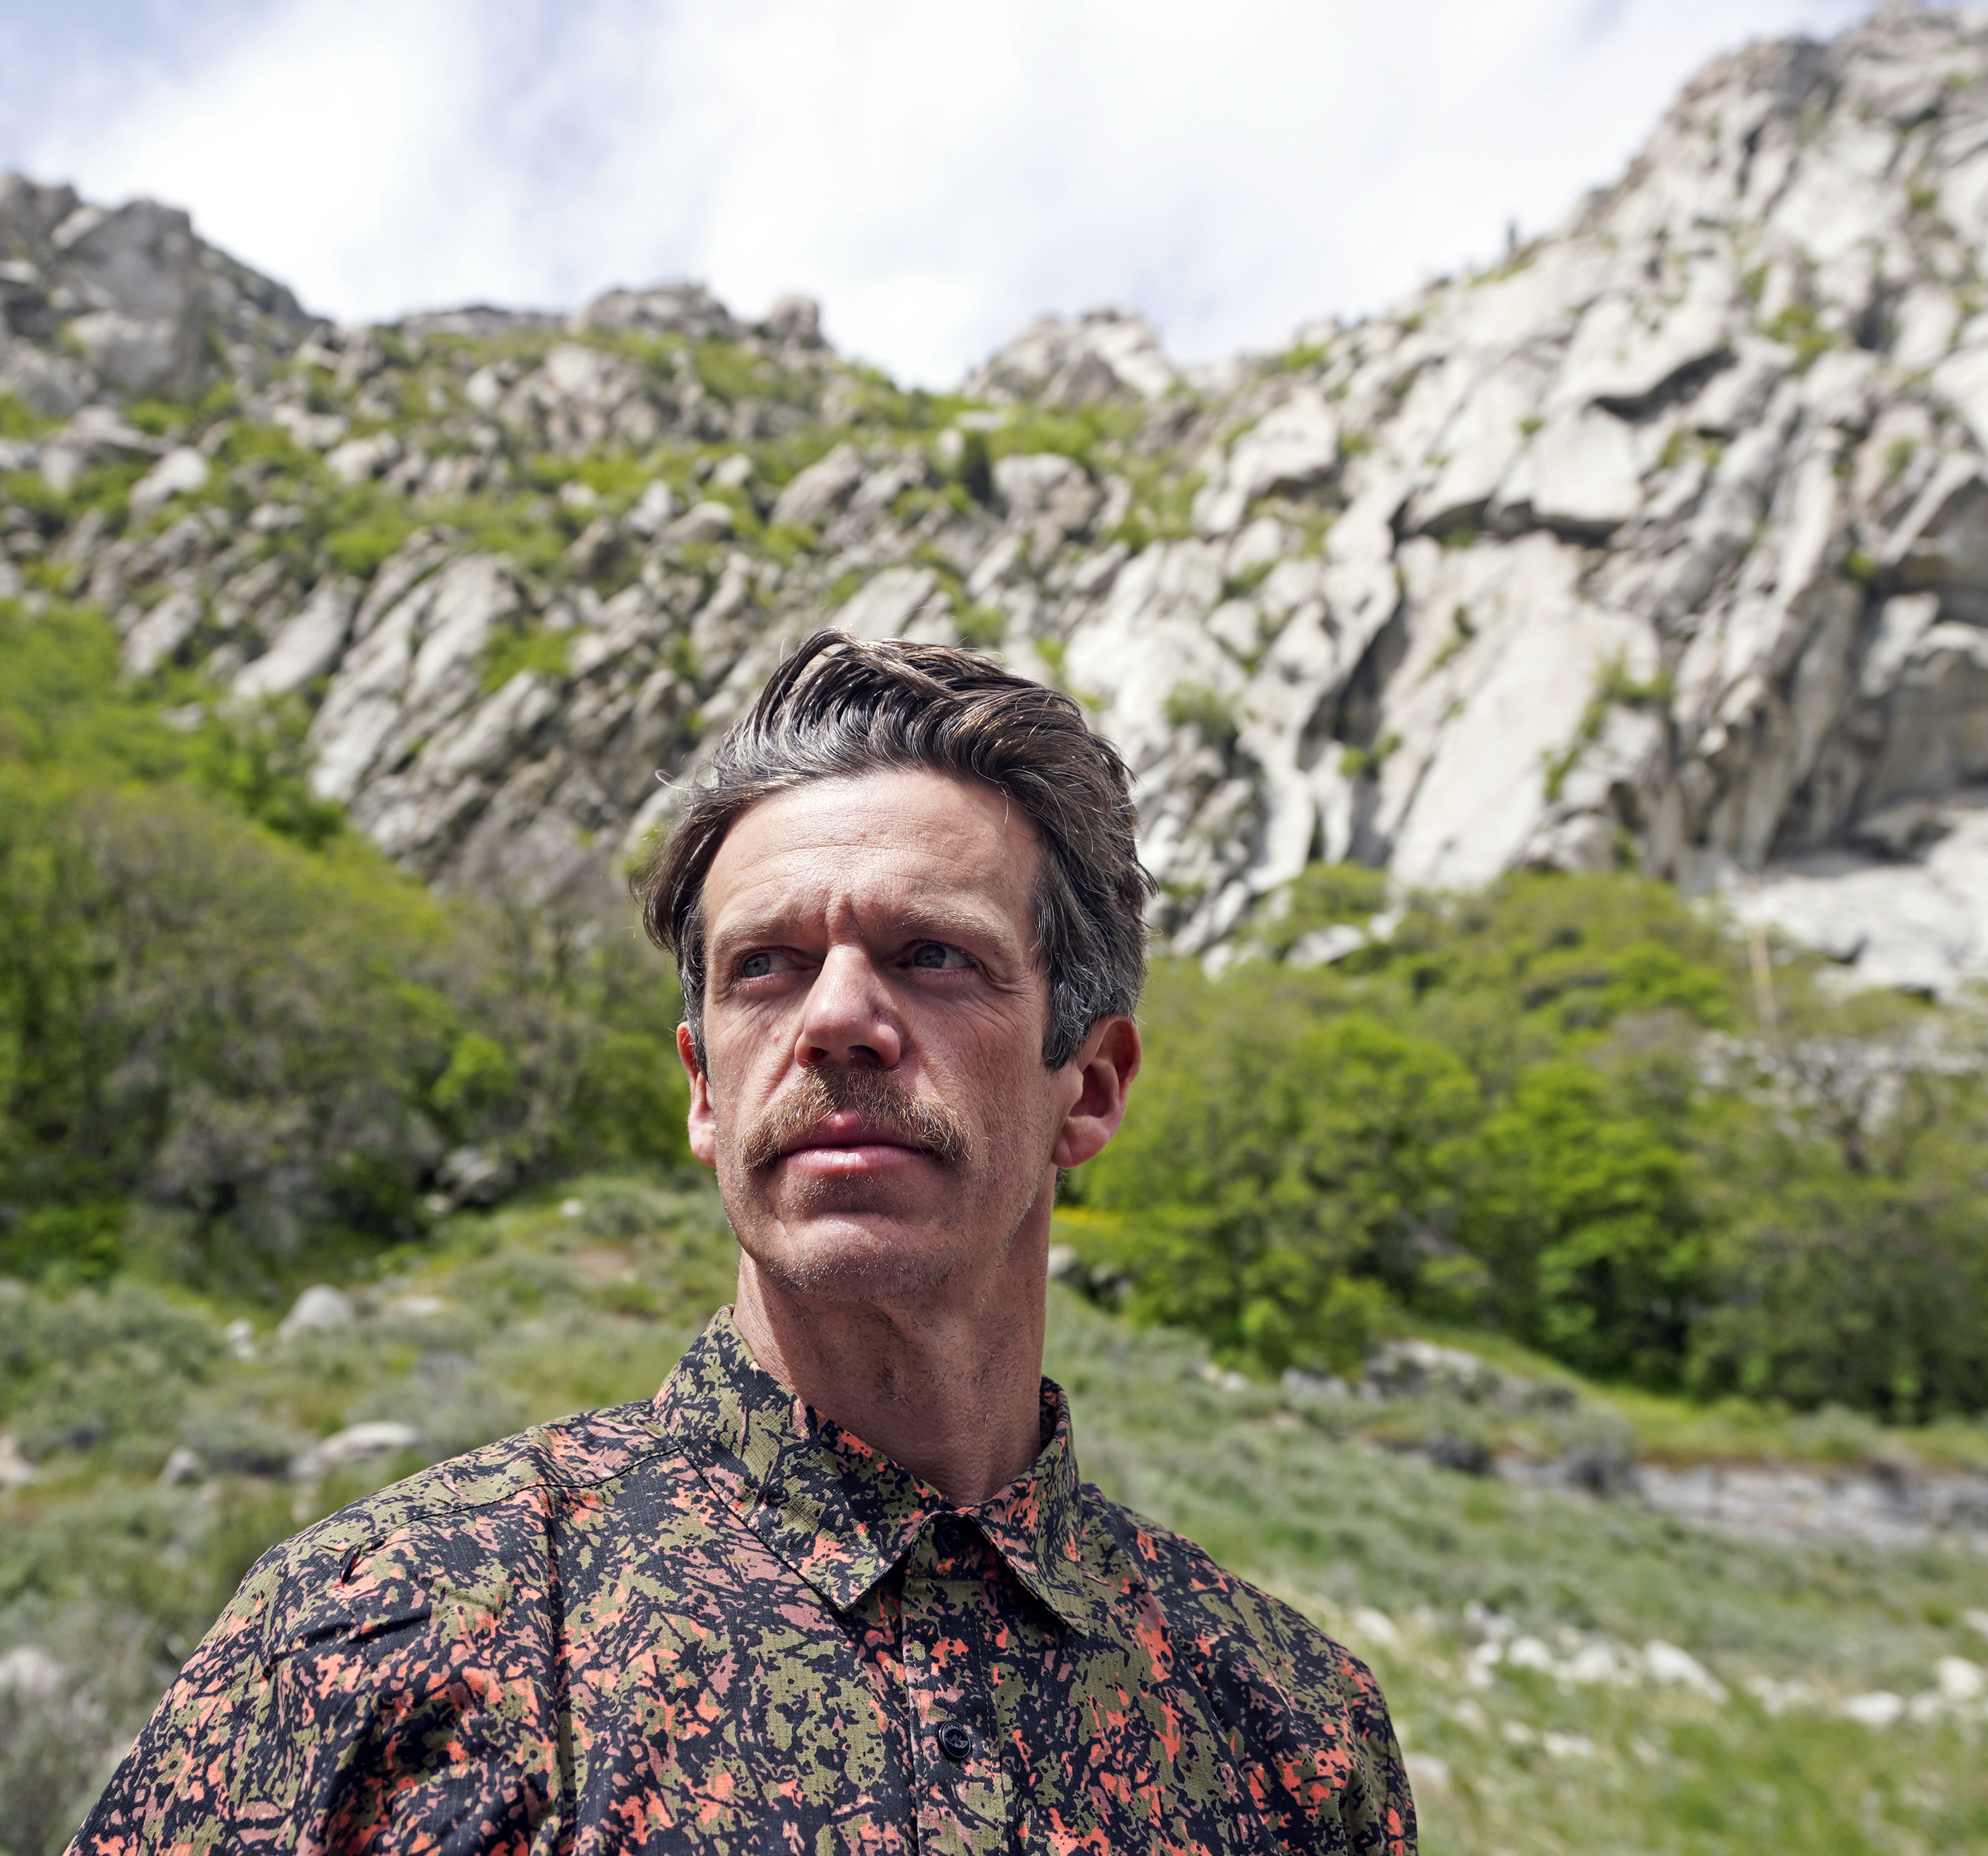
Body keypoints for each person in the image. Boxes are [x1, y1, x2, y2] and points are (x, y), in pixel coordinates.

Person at [68, 631, 1416, 1853]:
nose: (838, 1016)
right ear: (708, 1090)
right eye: (764, 964)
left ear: (1095, 1085)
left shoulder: (1290, 1731)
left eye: (933, 955)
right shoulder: (396, 1632)